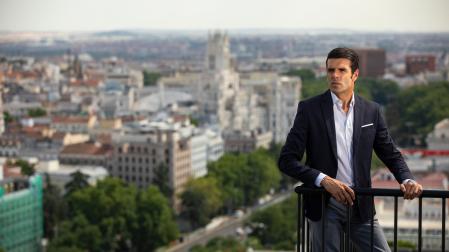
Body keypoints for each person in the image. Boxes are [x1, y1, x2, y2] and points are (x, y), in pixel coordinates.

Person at [278, 47, 423, 252]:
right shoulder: (309, 109)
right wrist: (324, 180)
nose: (334, 75)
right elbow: (286, 160)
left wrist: (407, 180)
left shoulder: (371, 111)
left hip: (361, 203)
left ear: (355, 74)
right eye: (330, 70)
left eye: (341, 70)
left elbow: (390, 153)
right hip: (324, 204)